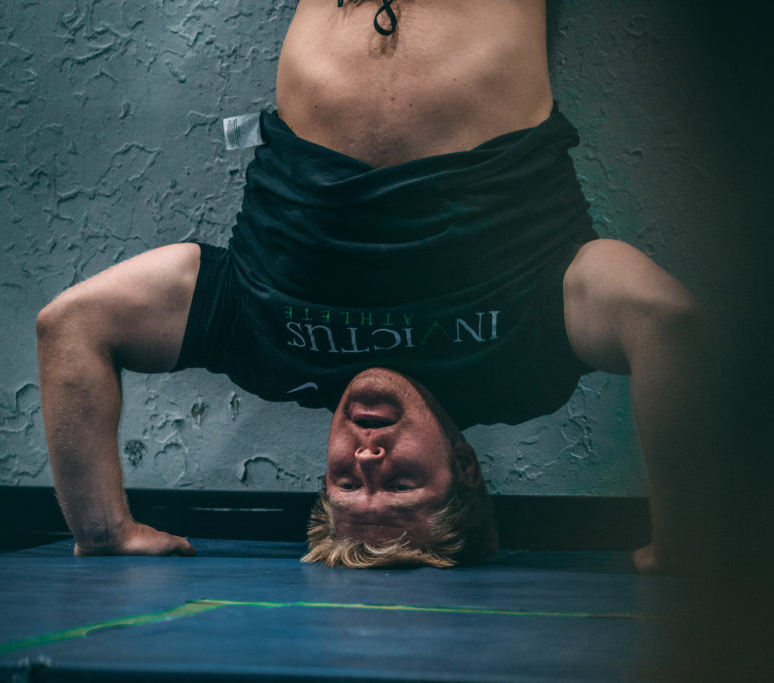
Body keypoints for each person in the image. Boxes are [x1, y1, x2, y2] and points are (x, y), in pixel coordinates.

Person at [36, 0, 701, 572]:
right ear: (464, 467)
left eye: (347, 480)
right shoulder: (526, 361)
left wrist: (102, 530)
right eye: (401, 481)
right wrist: (685, 538)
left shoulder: (269, 347)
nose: (368, 454)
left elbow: (71, 326)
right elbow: (666, 320)